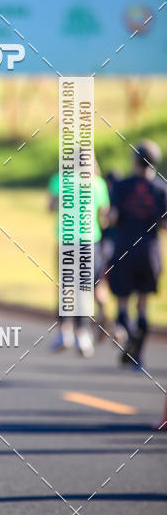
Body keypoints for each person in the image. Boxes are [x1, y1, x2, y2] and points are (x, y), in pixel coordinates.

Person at [108, 140, 167, 369]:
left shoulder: (121, 186)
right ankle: (137, 357)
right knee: (142, 305)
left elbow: (112, 217)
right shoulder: (162, 189)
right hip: (149, 253)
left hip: (124, 249)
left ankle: (129, 336)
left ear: (134, 161)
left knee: (122, 303)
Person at [47, 160, 110, 357]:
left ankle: (64, 331)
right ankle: (82, 333)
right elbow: (104, 216)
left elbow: (51, 206)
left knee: (65, 286)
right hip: (88, 241)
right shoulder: (98, 183)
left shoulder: (60, 180)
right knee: (84, 288)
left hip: (66, 239)